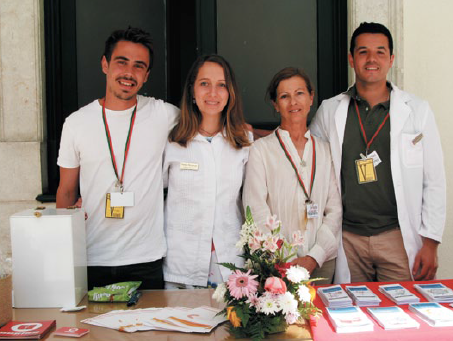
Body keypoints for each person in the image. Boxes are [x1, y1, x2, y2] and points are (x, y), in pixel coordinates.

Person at [309, 22, 446, 283]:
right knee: (352, 318)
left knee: (403, 316)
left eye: (380, 52)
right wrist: (252, 137)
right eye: (363, 52)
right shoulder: (330, 110)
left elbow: (435, 181)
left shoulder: (417, 111)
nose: (372, 59)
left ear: (391, 59)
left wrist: (431, 243)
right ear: (351, 59)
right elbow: (304, 151)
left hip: (397, 237)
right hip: (348, 239)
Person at [56, 27, 179, 289]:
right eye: (121, 62)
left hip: (146, 259)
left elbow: (212, 127)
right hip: (90, 258)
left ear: (146, 75)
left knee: (149, 330)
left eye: (138, 66)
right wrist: (64, 253)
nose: (129, 73)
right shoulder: (76, 123)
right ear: (105, 64)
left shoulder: (164, 115)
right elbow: (66, 192)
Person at [243, 67, 342, 284]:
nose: (293, 102)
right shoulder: (261, 150)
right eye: (284, 96)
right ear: (275, 105)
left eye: (299, 93)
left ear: (311, 97)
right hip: (277, 265)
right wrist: (283, 258)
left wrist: (314, 256)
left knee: (320, 318)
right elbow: (255, 209)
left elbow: (334, 209)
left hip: (322, 262)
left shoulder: (326, 150)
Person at [163, 55, 252, 289]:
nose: (213, 93)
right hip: (182, 264)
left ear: (230, 92)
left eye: (221, 85)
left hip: (230, 264)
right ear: (192, 91)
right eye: (204, 83)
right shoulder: (172, 141)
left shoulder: (244, 142)